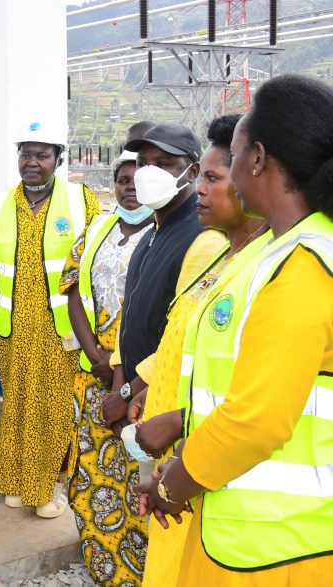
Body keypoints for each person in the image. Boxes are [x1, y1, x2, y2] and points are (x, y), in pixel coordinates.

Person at [140, 73, 333, 583]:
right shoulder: (279, 250)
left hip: (281, 543)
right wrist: (184, 420)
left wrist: (173, 483)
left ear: (257, 158)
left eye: (233, 154)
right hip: (261, 531)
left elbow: (260, 418)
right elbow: (279, 384)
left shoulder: (304, 263)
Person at [121, 114, 267, 586]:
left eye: (212, 177)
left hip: (208, 462)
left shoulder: (260, 267)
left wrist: (176, 445)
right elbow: (181, 346)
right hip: (178, 447)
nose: (201, 189)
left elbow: (250, 395)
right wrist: (147, 393)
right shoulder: (226, 257)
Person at [0, 121, 101, 518]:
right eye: (26, 154)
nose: (32, 162)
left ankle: (47, 488)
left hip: (63, 331)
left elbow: (95, 261)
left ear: (57, 160)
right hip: (11, 330)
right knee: (18, 405)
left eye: (42, 155)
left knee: (56, 409)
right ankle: (15, 480)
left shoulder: (82, 201)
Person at [59, 148, 153, 584]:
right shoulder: (96, 228)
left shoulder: (167, 233)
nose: (129, 187)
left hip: (141, 372)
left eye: (138, 180)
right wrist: (94, 352)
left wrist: (120, 368)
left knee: (138, 470)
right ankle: (103, 566)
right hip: (93, 368)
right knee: (93, 470)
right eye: (123, 180)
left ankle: (142, 571)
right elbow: (70, 286)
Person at [103, 124, 203, 438]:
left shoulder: (201, 237)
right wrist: (120, 387)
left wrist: (127, 393)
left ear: (191, 172)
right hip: (135, 399)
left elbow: (183, 336)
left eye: (162, 164)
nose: (148, 172)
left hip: (165, 397)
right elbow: (129, 317)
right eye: (144, 163)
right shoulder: (150, 236)